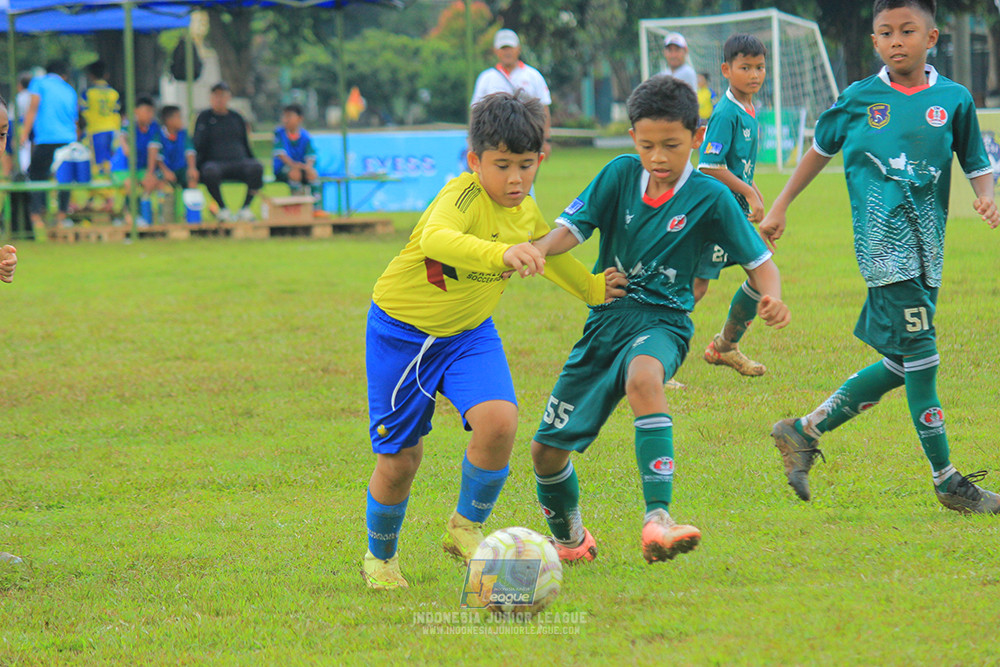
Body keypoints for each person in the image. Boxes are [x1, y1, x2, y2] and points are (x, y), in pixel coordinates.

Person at [361, 92, 627, 590]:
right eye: (502, 166)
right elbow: (437, 240)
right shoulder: (461, 196)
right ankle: (380, 558)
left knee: (501, 421)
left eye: (526, 165)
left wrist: (594, 289)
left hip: (469, 335)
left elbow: (547, 249)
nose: (515, 179)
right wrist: (501, 254)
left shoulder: (525, 209)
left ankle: (465, 526)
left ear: (541, 159)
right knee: (401, 460)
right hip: (403, 336)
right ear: (474, 161)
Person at [527, 75, 790, 565]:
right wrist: (535, 249)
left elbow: (761, 263)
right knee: (545, 452)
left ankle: (658, 519)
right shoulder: (619, 174)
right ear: (633, 138)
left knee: (644, 379)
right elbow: (571, 230)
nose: (658, 157)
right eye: (647, 145)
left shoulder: (710, 196)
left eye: (671, 145)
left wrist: (771, 296)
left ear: (696, 137)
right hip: (605, 323)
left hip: (664, 321)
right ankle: (571, 542)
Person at [760, 0, 1000, 514]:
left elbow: (975, 160)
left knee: (901, 362)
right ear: (874, 42)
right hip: (884, 249)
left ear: (931, 37)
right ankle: (947, 480)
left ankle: (802, 430)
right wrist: (780, 205)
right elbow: (819, 151)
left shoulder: (954, 99)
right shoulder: (859, 98)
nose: (896, 41)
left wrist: (986, 195)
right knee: (924, 358)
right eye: (886, 32)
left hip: (928, 249)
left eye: (907, 31)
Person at [694, 34, 771, 378]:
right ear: (726, 70)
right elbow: (709, 166)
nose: (754, 74)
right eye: (745, 68)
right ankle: (653, 356)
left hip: (733, 212)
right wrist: (749, 193)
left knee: (760, 271)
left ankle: (725, 346)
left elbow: (736, 166)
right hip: (714, 214)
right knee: (696, 287)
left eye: (759, 67)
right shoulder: (726, 113)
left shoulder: (749, 109)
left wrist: (754, 192)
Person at [472, 29, 553, 159]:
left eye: (510, 48)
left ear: (518, 49)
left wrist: (545, 140)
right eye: (503, 48)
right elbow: (476, 111)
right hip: (495, 140)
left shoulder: (533, 76)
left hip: (526, 138)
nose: (507, 52)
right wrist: (473, 141)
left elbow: (544, 108)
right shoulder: (486, 78)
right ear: (496, 51)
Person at [192, 81, 263, 223]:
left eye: (223, 95)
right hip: (215, 163)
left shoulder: (237, 118)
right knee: (209, 171)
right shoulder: (204, 118)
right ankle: (222, 209)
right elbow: (197, 144)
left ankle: (245, 209)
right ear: (211, 98)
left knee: (256, 167)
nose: (219, 99)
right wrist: (195, 166)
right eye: (216, 96)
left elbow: (245, 143)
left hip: (238, 162)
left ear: (229, 97)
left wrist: (250, 157)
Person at [20, 60, 78, 230]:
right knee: (64, 179)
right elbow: (74, 119)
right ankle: (61, 218)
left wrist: (24, 133)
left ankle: (37, 217)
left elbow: (33, 108)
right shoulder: (70, 89)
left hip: (47, 138)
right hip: (68, 139)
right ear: (64, 75)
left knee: (37, 176)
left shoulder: (39, 82)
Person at [111, 96, 162, 226]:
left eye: (152, 111)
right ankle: (130, 215)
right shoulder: (129, 126)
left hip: (141, 169)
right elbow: (125, 143)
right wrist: (126, 146)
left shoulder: (154, 127)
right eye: (147, 111)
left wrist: (150, 173)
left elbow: (154, 151)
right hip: (122, 169)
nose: (150, 115)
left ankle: (148, 215)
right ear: (136, 111)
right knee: (130, 183)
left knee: (153, 182)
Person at [80, 60, 121, 212]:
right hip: (112, 131)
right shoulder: (113, 93)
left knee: (96, 166)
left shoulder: (88, 93)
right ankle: (104, 196)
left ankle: (103, 197)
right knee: (108, 163)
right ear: (106, 75)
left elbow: (82, 112)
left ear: (90, 75)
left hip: (95, 131)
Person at [272, 103, 318, 197]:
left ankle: (316, 203)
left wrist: (308, 167)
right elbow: (281, 154)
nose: (285, 120)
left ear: (300, 118)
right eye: (284, 116)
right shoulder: (279, 134)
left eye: (289, 116)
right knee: (295, 174)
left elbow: (311, 155)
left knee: (312, 174)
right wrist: (294, 165)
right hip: (283, 168)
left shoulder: (305, 136)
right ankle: (297, 201)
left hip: (301, 167)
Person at [15, 73, 32, 173]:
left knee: (23, 151)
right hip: (33, 127)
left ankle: (23, 173)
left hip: (21, 126)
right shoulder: (33, 96)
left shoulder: (19, 97)